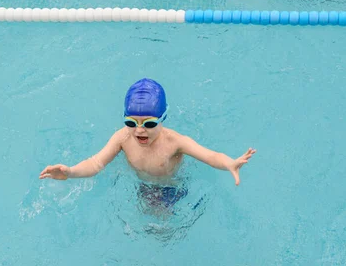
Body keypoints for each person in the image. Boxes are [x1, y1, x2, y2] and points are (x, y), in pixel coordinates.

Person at [39, 78, 256, 207]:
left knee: (164, 232)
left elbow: (210, 156)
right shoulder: (123, 137)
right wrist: (70, 172)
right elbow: (96, 163)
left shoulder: (174, 142)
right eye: (131, 122)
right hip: (142, 185)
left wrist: (229, 163)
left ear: (163, 119)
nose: (139, 130)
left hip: (172, 186)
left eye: (149, 124)